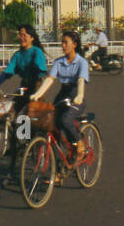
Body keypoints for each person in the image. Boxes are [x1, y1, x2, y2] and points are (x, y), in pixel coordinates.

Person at [30, 30, 90, 169]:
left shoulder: (82, 62)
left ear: (74, 45)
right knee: (51, 125)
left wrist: (80, 96)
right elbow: (50, 79)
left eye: (66, 42)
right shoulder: (59, 62)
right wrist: (38, 94)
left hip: (75, 94)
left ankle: (79, 142)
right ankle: (59, 168)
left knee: (65, 120)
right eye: (62, 42)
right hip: (63, 93)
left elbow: (81, 80)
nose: (63, 45)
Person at [0, 24, 48, 120]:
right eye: (20, 35)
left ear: (32, 38)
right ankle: (13, 134)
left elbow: (39, 69)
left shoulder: (36, 52)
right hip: (24, 86)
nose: (21, 37)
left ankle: (36, 134)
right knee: (11, 113)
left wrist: (32, 74)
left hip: (36, 86)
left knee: (33, 117)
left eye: (24, 35)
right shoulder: (18, 55)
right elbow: (8, 72)